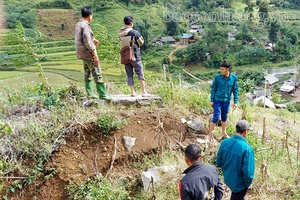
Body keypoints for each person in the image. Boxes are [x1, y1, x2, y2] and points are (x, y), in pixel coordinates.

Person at [75, 6, 111, 100]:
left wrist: (93, 39)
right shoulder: (85, 26)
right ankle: (102, 94)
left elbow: (83, 38)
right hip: (88, 53)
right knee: (97, 72)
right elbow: (88, 42)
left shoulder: (79, 24)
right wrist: (95, 55)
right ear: (89, 15)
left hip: (81, 53)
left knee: (87, 73)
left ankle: (90, 93)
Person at [216, 120, 255, 200]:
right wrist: (247, 184)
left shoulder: (225, 142)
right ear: (246, 131)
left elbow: (218, 162)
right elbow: (248, 172)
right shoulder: (247, 149)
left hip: (228, 179)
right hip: (239, 185)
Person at [118, 16, 150, 97]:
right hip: (135, 55)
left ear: (124, 23)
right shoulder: (134, 32)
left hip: (125, 56)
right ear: (131, 23)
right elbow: (141, 42)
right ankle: (143, 92)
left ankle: (132, 92)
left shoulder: (121, 33)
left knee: (129, 74)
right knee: (140, 73)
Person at [208, 60, 238, 140]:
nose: (221, 71)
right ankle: (210, 134)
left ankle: (223, 132)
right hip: (217, 99)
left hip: (226, 101)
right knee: (216, 117)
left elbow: (235, 90)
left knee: (224, 116)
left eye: (222, 69)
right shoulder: (217, 78)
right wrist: (212, 100)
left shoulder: (233, 78)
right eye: (220, 69)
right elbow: (213, 89)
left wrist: (235, 102)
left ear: (227, 69)